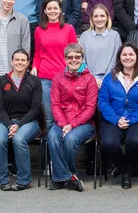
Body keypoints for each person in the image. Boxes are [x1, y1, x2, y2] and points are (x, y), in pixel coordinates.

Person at [98, 44, 138, 189]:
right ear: (119, 57)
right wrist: (116, 119)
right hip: (114, 118)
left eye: (131, 54)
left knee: (135, 141)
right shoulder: (110, 77)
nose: (127, 57)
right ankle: (125, 169)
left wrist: (131, 119)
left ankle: (125, 170)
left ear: (137, 56)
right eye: (124, 54)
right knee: (108, 143)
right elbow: (103, 101)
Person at [47, 44, 98, 192]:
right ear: (65, 59)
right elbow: (55, 104)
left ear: (82, 59)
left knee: (70, 139)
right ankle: (69, 177)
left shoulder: (90, 79)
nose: (74, 60)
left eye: (77, 57)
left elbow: (90, 108)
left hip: (84, 124)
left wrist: (72, 124)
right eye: (70, 57)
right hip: (62, 122)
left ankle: (59, 178)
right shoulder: (57, 78)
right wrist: (64, 124)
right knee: (52, 136)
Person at [0, 49, 41, 191]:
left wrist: (18, 125)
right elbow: (0, 108)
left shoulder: (34, 81)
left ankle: (24, 180)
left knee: (19, 140)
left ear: (28, 63)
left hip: (29, 122)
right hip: (7, 121)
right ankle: (3, 181)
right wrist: (9, 125)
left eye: (23, 60)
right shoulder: (3, 80)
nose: (20, 63)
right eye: (17, 60)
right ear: (12, 62)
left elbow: (35, 108)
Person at [33, 0, 77, 128]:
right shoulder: (39, 30)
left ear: (60, 11)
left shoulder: (69, 29)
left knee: (64, 117)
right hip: (45, 79)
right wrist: (35, 67)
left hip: (65, 78)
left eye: (55, 8)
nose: (52, 11)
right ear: (45, 11)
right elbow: (37, 54)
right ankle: (48, 147)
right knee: (48, 119)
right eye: (49, 8)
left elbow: (75, 55)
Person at [80, 4, 122, 84]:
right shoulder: (84, 36)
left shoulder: (115, 36)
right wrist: (92, 79)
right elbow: (81, 61)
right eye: (96, 16)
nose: (99, 19)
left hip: (110, 80)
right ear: (92, 18)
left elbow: (116, 60)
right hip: (88, 81)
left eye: (102, 16)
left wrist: (105, 79)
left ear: (107, 18)